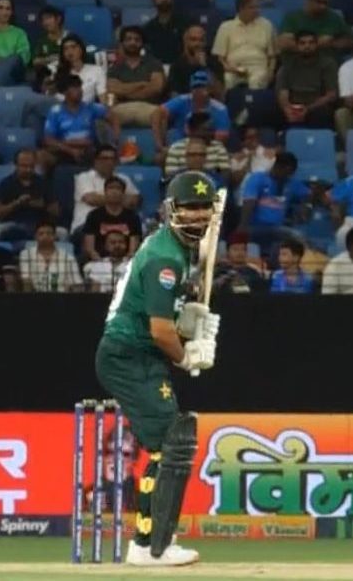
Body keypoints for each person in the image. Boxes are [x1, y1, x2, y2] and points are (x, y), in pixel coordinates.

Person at [95, 170, 216, 566]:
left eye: (204, 208)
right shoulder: (166, 257)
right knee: (170, 443)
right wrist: (188, 355)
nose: (198, 216)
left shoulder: (175, 249)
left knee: (170, 444)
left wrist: (188, 316)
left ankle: (152, 543)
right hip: (129, 355)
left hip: (142, 356)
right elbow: (161, 330)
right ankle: (150, 546)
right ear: (171, 210)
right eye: (189, 208)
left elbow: (166, 319)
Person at [238, 151, 310, 256]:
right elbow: (249, 203)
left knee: (298, 240)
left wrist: (307, 205)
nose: (289, 175)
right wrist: (243, 227)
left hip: (278, 228)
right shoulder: (258, 178)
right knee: (296, 236)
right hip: (256, 227)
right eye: (288, 172)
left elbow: (309, 193)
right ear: (279, 167)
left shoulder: (291, 183)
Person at [43, 74, 119, 167]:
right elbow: (48, 140)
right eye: (74, 88)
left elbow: (113, 117)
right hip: (64, 150)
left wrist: (115, 138)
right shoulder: (55, 111)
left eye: (80, 87)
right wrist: (71, 151)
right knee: (43, 157)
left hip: (88, 150)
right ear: (65, 92)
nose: (79, 91)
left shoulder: (91, 107)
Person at [275, 30, 338, 130]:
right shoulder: (287, 65)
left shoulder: (327, 64)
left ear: (317, 44)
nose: (307, 46)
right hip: (294, 106)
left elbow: (331, 95)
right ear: (296, 45)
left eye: (311, 43)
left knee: (322, 113)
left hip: (316, 107)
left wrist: (308, 109)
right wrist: (287, 109)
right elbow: (283, 93)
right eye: (302, 43)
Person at [211, 0, 276, 90]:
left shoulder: (267, 25)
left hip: (258, 68)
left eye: (258, 7)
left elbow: (272, 56)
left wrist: (270, 72)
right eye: (252, 7)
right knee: (227, 80)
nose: (257, 10)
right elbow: (220, 58)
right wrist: (231, 69)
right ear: (241, 9)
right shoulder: (226, 27)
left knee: (256, 81)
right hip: (232, 68)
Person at [152, 70, 232, 149]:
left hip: (207, 147)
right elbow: (157, 113)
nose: (198, 90)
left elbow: (221, 138)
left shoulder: (220, 109)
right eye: (195, 87)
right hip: (179, 144)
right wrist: (160, 144)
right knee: (161, 155)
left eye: (202, 87)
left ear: (210, 89)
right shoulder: (182, 100)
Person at [107, 26, 167, 128]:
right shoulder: (115, 68)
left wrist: (125, 91)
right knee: (103, 117)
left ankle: (160, 144)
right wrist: (142, 84)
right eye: (128, 39)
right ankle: (113, 144)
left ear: (142, 43)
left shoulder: (154, 64)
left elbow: (156, 88)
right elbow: (113, 88)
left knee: (161, 116)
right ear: (122, 43)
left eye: (137, 40)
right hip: (122, 108)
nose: (133, 43)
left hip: (149, 107)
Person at [71, 144, 139, 233]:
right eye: (105, 159)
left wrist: (104, 199)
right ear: (96, 161)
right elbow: (91, 199)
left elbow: (135, 200)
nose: (109, 162)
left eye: (112, 159)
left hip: (119, 226)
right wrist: (121, 200)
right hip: (86, 226)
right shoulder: (84, 177)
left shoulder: (123, 178)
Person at [0, 148, 56, 242]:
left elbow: (56, 212)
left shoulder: (44, 183)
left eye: (31, 166)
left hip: (40, 225)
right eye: (24, 166)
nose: (28, 170)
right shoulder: (6, 183)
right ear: (15, 165)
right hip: (12, 224)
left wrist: (43, 206)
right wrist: (17, 203)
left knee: (62, 233)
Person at [277, 0, 353, 58]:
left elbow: (351, 41)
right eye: (319, 1)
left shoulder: (334, 18)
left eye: (326, 3)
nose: (323, 6)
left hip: (327, 65)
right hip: (297, 65)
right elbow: (284, 43)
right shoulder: (292, 18)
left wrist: (332, 43)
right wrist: (316, 45)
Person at [82, 176, 143, 262]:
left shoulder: (132, 217)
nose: (114, 191)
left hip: (125, 262)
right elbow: (89, 248)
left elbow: (132, 249)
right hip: (99, 261)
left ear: (123, 193)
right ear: (105, 192)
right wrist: (100, 262)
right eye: (111, 188)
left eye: (118, 188)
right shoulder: (94, 216)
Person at [19, 220, 84, 291]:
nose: (45, 236)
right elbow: (26, 279)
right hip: (36, 297)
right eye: (41, 234)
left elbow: (76, 283)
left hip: (62, 298)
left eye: (49, 233)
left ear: (55, 236)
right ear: (35, 236)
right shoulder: (26, 254)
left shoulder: (68, 258)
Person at [162, 112, 230, 180]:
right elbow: (170, 176)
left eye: (212, 130)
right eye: (207, 130)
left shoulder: (218, 147)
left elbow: (225, 175)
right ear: (193, 131)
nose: (212, 133)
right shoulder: (176, 148)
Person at [167, 24, 225, 100]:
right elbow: (174, 95)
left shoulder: (214, 62)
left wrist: (204, 66)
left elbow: (220, 94)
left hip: (210, 105)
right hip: (186, 106)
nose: (197, 44)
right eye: (193, 40)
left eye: (201, 40)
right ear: (185, 41)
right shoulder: (177, 65)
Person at [142, 0, 190, 68]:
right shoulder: (148, 28)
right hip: (155, 71)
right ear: (153, 0)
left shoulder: (186, 24)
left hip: (180, 70)